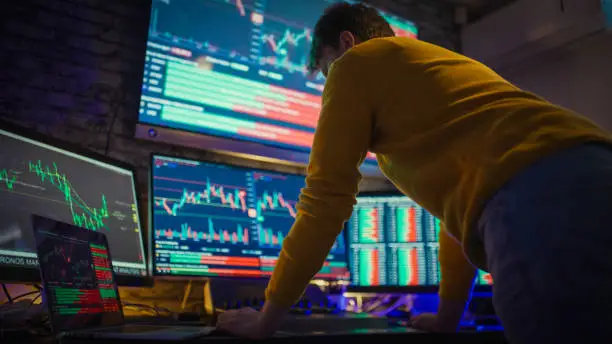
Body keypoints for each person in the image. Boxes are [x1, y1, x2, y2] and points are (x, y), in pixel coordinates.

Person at [216, 2, 612, 343]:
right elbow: (457, 218)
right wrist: (447, 320)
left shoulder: (355, 64)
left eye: (325, 71)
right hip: (594, 162)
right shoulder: (437, 68)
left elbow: (325, 198)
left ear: (347, 44)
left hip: (537, 200)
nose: (328, 87)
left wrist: (266, 320)